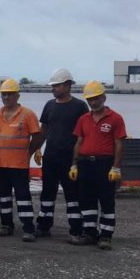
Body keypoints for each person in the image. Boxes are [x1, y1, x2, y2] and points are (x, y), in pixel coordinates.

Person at [70, 81, 127, 250]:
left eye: (96, 98)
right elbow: (79, 142)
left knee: (106, 200)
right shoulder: (83, 119)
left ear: (104, 97)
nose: (93, 102)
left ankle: (106, 236)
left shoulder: (115, 118)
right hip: (85, 164)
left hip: (104, 164)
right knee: (86, 200)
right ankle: (90, 233)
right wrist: (74, 165)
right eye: (90, 99)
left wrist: (116, 167)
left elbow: (119, 144)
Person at [36, 68, 88, 239]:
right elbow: (43, 130)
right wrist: (37, 148)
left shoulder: (80, 106)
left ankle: (76, 229)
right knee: (47, 193)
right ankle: (43, 226)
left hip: (70, 159)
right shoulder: (49, 105)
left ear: (67, 85)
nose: (53, 89)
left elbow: (85, 133)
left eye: (56, 86)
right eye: (52, 86)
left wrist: (80, 159)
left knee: (72, 194)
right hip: (50, 157)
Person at [0, 79, 43, 241]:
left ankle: (28, 228)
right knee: (4, 197)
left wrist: (29, 152)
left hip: (19, 165)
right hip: (0, 164)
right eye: (4, 95)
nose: (7, 97)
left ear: (17, 96)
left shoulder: (28, 114)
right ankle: (6, 225)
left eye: (10, 94)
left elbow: (37, 137)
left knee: (23, 197)